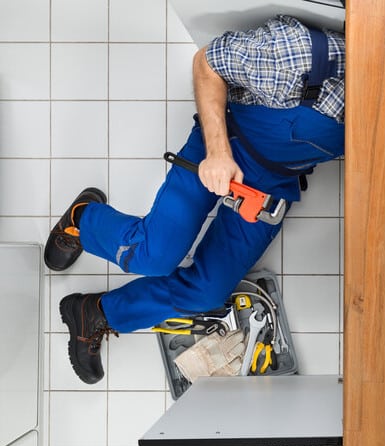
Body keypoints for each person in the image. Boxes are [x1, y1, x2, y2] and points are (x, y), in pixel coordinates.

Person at [44, 15, 345, 384]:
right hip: (223, 144)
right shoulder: (298, 56)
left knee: (208, 292)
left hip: (270, 183)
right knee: (154, 256)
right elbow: (207, 63)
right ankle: (83, 219)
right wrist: (218, 153)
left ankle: (97, 312)